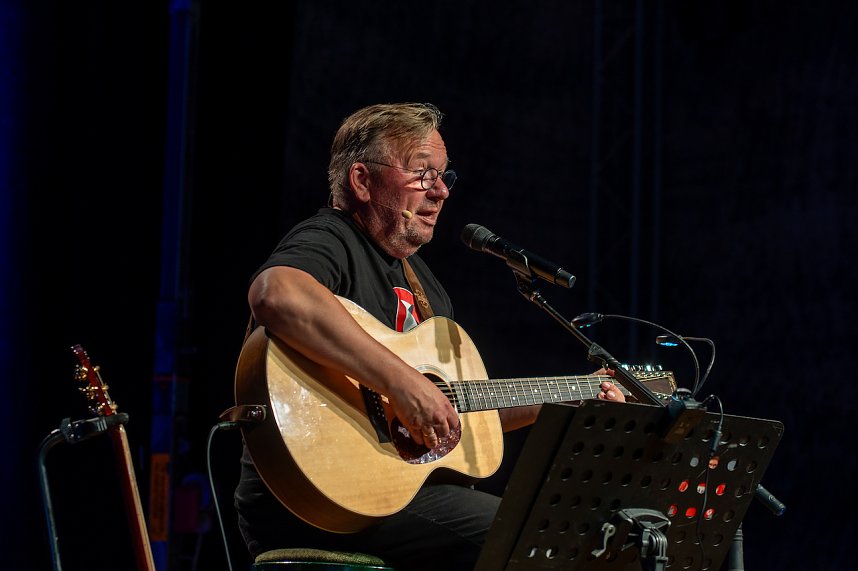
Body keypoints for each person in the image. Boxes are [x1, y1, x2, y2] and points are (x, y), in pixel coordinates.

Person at [234, 102, 625, 570]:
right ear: (362, 181)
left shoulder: (425, 287)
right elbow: (276, 293)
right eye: (422, 174)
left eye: (443, 176)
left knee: (555, 529)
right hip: (309, 502)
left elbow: (453, 409)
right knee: (530, 539)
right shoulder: (331, 238)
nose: (440, 191)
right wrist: (403, 383)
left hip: (397, 495)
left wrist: (570, 398)